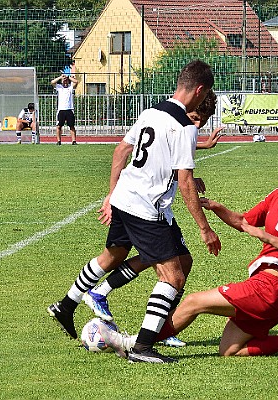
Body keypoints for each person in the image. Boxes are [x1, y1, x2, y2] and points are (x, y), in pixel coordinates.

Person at [48, 60, 222, 363]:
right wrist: (205, 229)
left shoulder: (151, 112)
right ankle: (143, 347)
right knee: (173, 277)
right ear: (200, 90)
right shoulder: (184, 126)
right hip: (146, 208)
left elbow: (121, 152)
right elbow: (183, 183)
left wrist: (110, 195)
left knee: (115, 256)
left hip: (125, 197)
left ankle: (66, 305)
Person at [100, 149, 278, 360]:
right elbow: (244, 221)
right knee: (229, 350)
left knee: (193, 302)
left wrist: (268, 237)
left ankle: (134, 343)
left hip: (272, 289)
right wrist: (215, 207)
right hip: (266, 289)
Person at [81, 89, 224, 349]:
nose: (196, 125)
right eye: (194, 118)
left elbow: (169, 155)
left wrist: (198, 158)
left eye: (201, 122)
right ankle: (148, 334)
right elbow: (147, 154)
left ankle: (160, 324)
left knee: (178, 261)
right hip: (148, 207)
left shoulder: (168, 121)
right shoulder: (177, 124)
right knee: (167, 269)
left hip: (151, 205)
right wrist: (204, 227)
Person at [51, 73, 78, 145]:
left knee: (71, 126)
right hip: (61, 110)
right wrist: (61, 77)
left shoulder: (70, 87)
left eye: (66, 81)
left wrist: (68, 77)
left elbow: (76, 82)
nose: (65, 82)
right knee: (59, 126)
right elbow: (52, 82)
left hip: (69, 109)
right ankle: (59, 141)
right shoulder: (59, 87)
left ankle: (74, 141)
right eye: (64, 81)